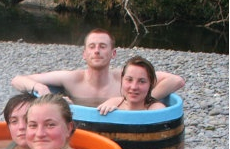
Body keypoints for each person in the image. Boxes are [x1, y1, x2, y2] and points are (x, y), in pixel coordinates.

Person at [11, 28, 185, 110]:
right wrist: (41, 89)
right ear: (84, 54)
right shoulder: (71, 79)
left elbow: (176, 80)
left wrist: (146, 98)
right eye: (92, 47)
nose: (96, 51)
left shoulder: (124, 78)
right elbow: (18, 80)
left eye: (102, 46)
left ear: (113, 53)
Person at [99, 55, 166, 114]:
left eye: (142, 81)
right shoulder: (112, 103)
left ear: (150, 84)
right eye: (129, 80)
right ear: (122, 79)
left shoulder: (157, 109)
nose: (134, 87)